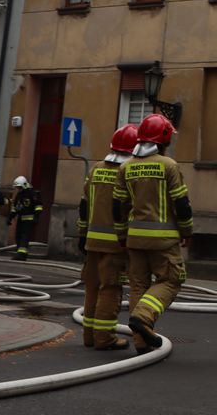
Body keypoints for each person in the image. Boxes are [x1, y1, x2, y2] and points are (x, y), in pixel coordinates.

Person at [113, 114, 193, 354]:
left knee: (138, 286)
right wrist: (186, 230)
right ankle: (144, 316)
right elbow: (181, 203)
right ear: (164, 138)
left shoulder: (126, 166)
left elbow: (118, 206)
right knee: (171, 279)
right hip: (164, 240)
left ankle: (141, 341)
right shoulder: (169, 165)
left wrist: (121, 236)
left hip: (135, 238)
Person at [77, 124, 137, 350]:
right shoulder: (128, 173)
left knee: (92, 287)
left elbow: (84, 206)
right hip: (116, 244)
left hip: (92, 241)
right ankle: (104, 338)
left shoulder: (95, 170)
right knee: (110, 289)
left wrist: (82, 234)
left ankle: (89, 336)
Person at [8, 176, 44, 261]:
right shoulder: (20, 194)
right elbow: (15, 207)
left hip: (29, 219)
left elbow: (38, 205)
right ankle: (21, 253)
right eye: (17, 187)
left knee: (24, 236)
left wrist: (36, 216)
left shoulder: (32, 193)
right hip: (21, 219)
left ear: (24, 185)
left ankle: (21, 254)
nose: (18, 189)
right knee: (18, 236)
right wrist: (10, 217)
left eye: (19, 187)